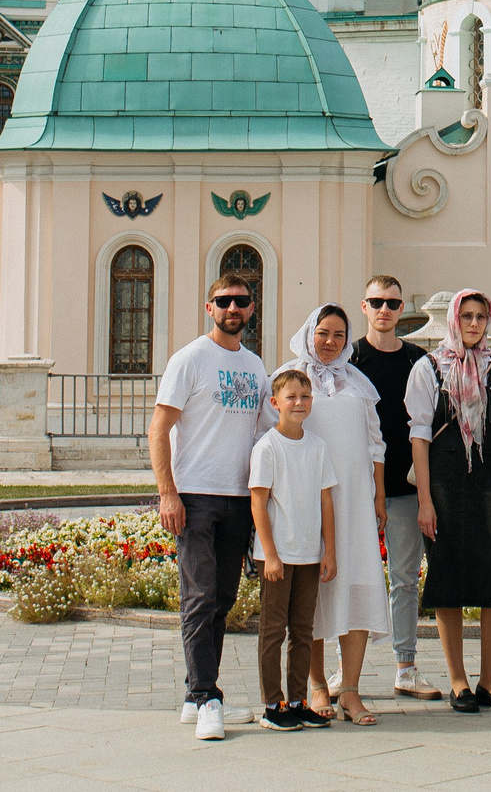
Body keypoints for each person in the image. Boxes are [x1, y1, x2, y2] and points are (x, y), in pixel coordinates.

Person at [152, 273, 272, 741]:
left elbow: (264, 431)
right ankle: (207, 698)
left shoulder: (255, 365)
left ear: (251, 307)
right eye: (223, 301)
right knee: (199, 597)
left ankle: (195, 696)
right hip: (196, 496)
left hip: (239, 497)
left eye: (241, 301)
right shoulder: (190, 359)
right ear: (210, 308)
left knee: (222, 600)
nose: (232, 309)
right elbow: (159, 429)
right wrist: (168, 493)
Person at [408, 289, 491, 713]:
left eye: (481, 317)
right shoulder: (428, 368)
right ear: (454, 320)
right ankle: (458, 680)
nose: (474, 324)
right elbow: (419, 437)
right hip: (444, 482)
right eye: (467, 316)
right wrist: (425, 501)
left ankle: (488, 682)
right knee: (448, 579)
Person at [287, 304, 387, 725]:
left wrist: (378, 495)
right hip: (309, 500)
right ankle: (316, 685)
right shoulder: (290, 378)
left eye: (339, 335)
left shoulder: (358, 383)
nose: (330, 342)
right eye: (323, 333)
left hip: (356, 501)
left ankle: (350, 689)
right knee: (312, 591)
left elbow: (375, 443)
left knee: (356, 583)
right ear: (310, 333)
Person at [348, 275, 442, 701]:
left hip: (404, 487)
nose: (384, 310)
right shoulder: (349, 359)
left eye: (391, 303)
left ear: (401, 309)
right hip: (359, 488)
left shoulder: (417, 360)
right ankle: (344, 670)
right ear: (364, 307)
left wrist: (427, 494)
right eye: (376, 302)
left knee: (404, 580)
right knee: (351, 580)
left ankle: (406, 667)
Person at [250, 365, 337, 732]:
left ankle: (299, 700)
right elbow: (258, 502)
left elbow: (326, 500)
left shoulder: (317, 447)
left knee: (304, 630)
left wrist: (329, 551)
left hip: (309, 554)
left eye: (305, 396)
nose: (299, 403)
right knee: (273, 629)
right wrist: (270, 554)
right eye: (291, 397)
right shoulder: (267, 448)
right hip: (278, 556)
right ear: (275, 403)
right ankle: (273, 704)